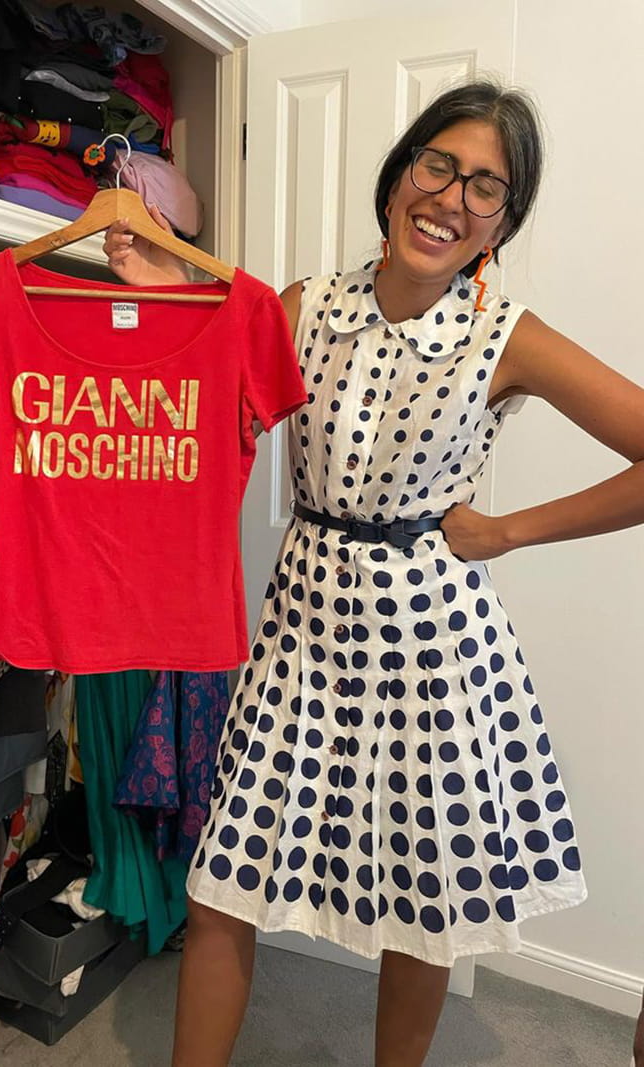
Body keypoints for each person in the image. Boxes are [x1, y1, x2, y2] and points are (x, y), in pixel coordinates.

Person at [104, 80, 644, 1067]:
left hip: (429, 643)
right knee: (223, 877)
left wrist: (513, 528)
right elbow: (207, 374)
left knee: (420, 893)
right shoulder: (309, 303)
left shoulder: (503, 333)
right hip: (301, 626)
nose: (452, 196)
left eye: (486, 187)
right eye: (438, 163)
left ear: (501, 224)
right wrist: (155, 289)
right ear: (399, 174)